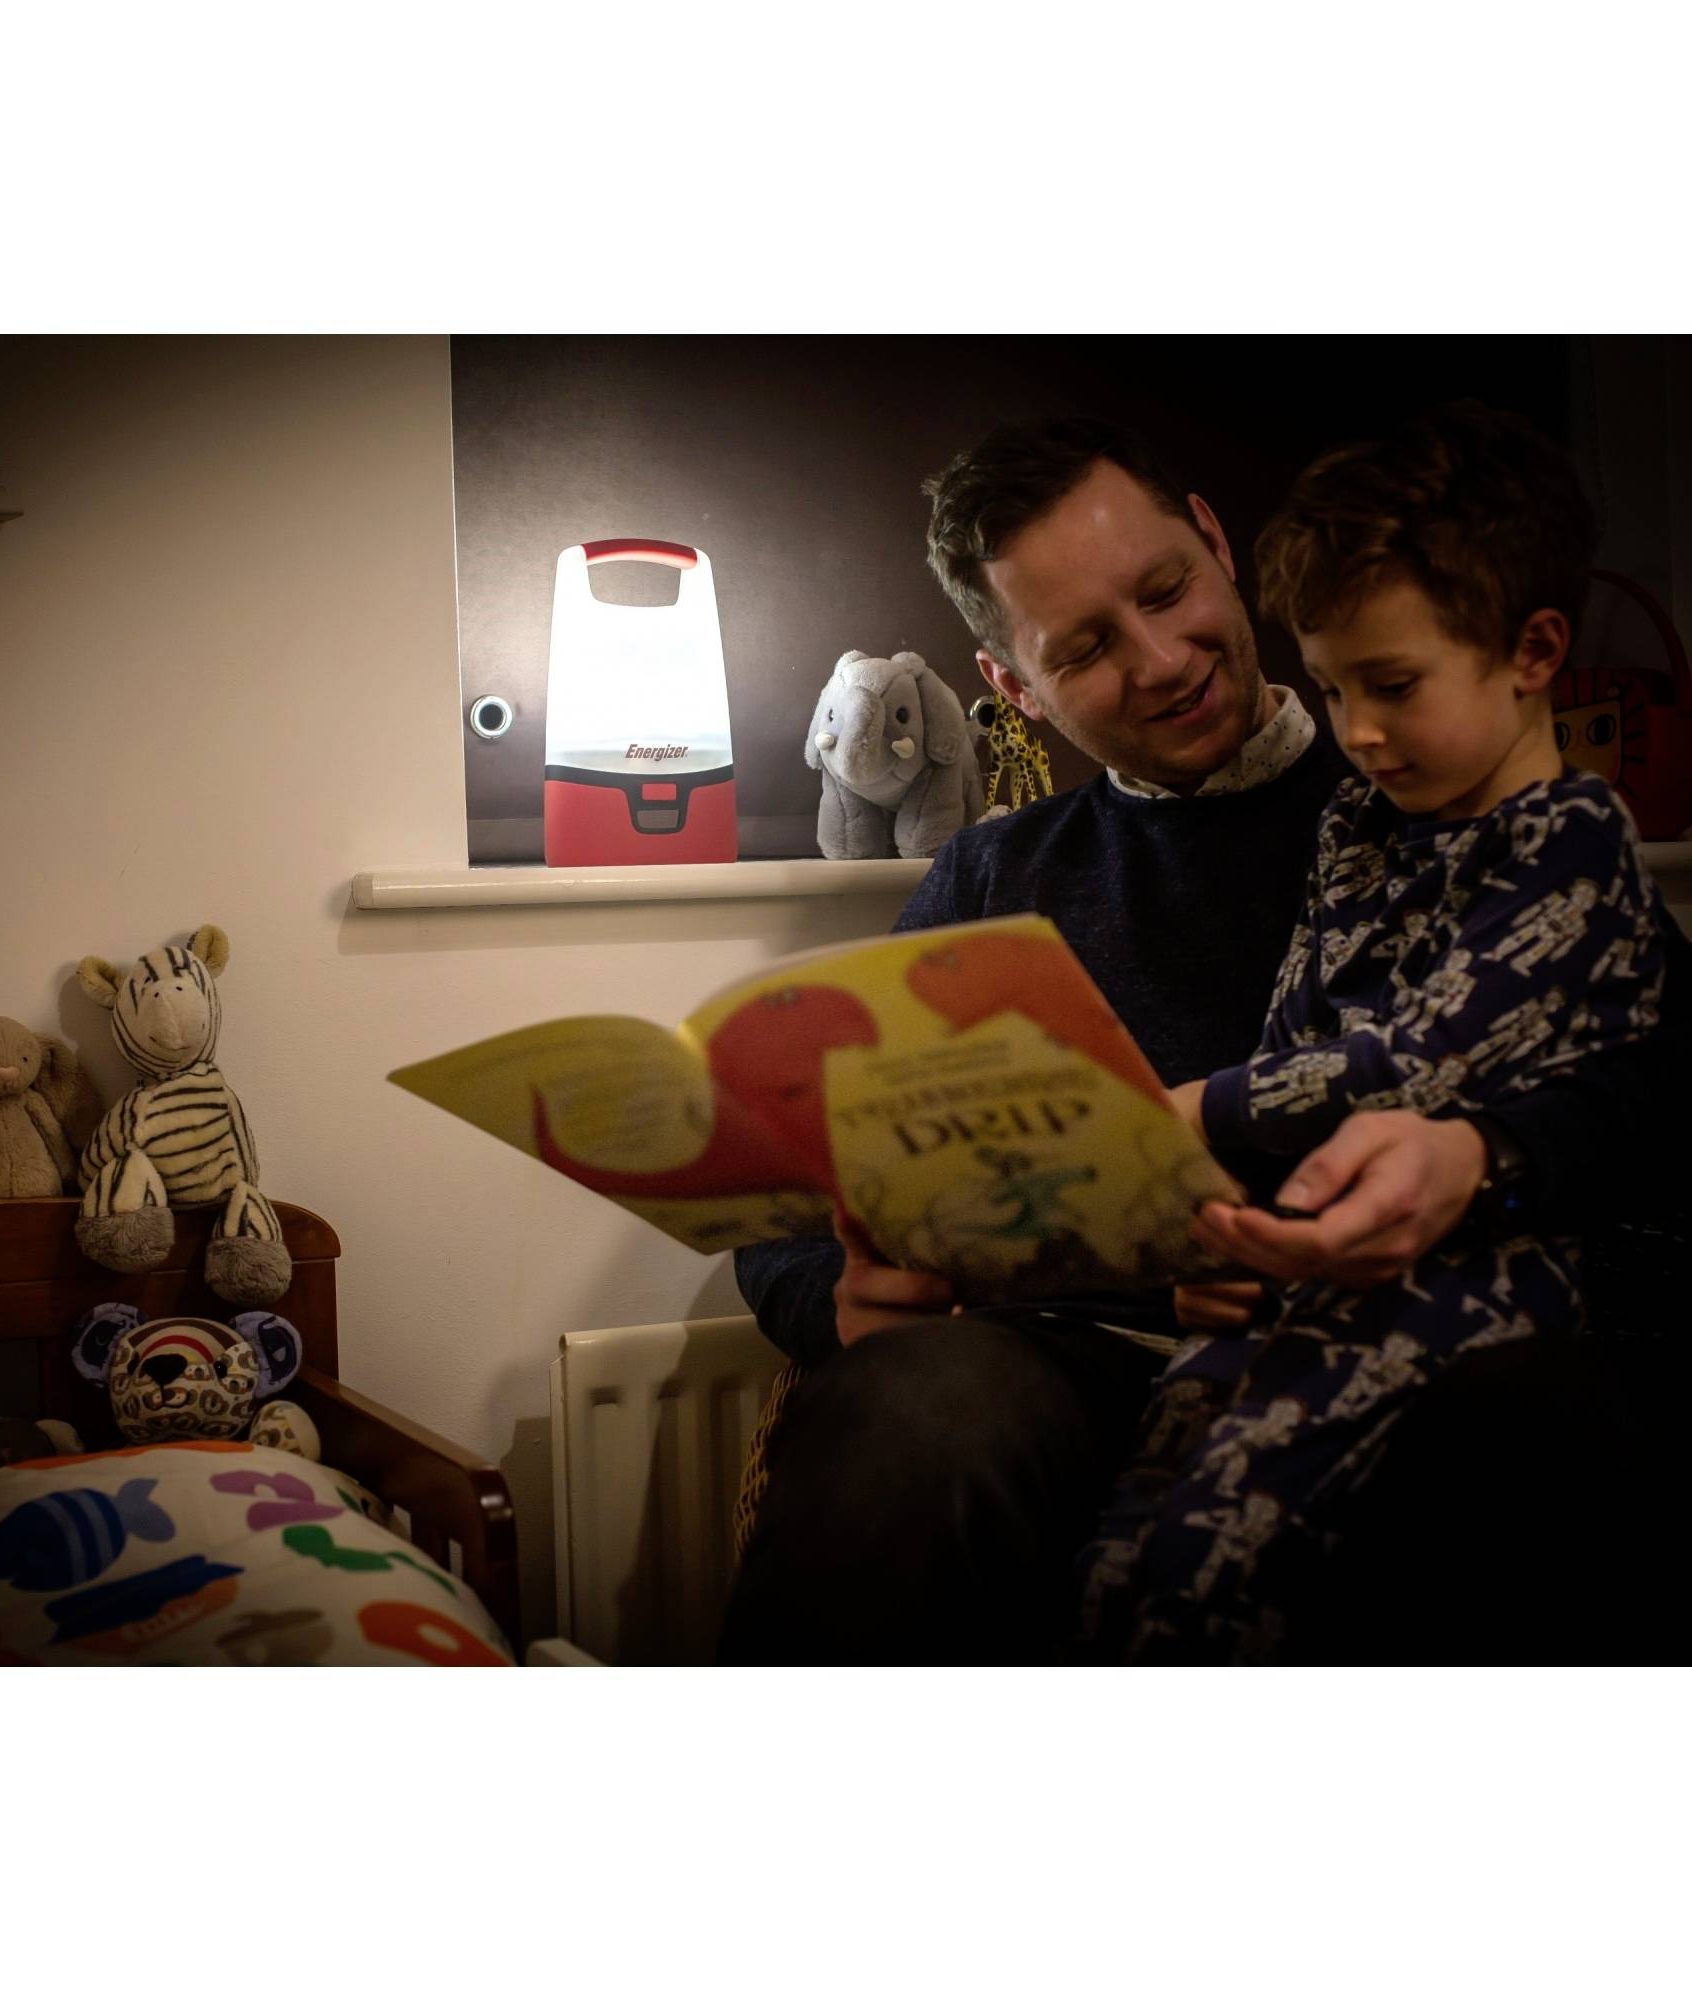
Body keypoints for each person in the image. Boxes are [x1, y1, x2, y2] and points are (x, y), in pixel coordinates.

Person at [720, 413, 1687, 1664]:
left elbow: (1652, 1079)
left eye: (1166, 589)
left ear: (1215, 542)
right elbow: (792, 1212)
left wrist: (1488, 1158)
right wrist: (848, 1303)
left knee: (1529, 1426)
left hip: (1410, 1345)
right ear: (1012, 685)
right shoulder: (991, 878)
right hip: (1087, 1367)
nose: (1163, 658)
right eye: (1085, 647)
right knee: (917, 1404)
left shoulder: (1438, 785)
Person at [1076, 403, 1666, 1662]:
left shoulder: (1572, 841)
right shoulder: (1355, 825)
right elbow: (1300, 1014)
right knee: (1130, 1540)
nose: (1356, 730)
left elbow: (1410, 1058)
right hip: (1312, 1264)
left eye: (1390, 685)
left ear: (1531, 650)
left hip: (1490, 1280)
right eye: (1335, 687)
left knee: (1215, 1555)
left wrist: (1194, 1107)